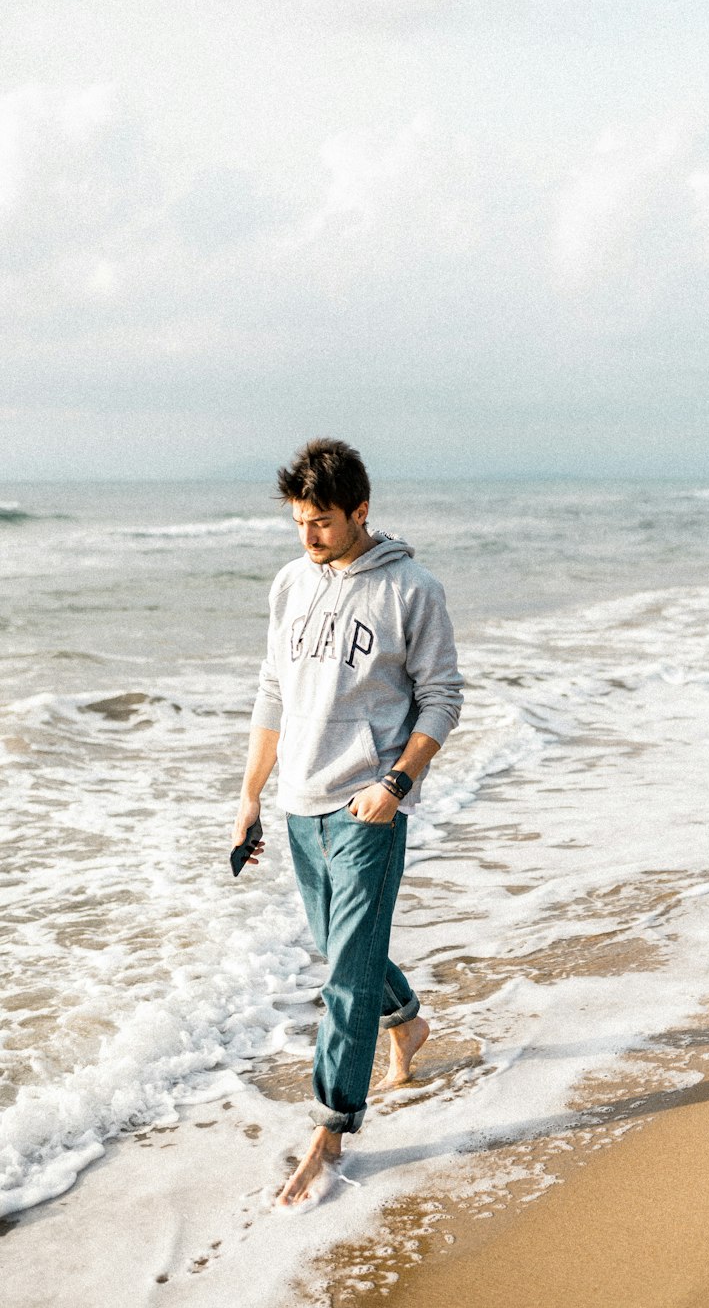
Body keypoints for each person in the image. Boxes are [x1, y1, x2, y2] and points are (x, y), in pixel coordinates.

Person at [232, 437, 463, 1208]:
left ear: (361, 512)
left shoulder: (411, 590)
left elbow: (442, 698)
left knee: (342, 977)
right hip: (299, 800)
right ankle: (407, 1024)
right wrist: (250, 797)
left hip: (367, 803)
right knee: (345, 952)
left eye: (323, 522)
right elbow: (273, 692)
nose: (308, 536)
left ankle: (330, 1129)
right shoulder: (290, 583)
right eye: (299, 520)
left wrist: (397, 782)